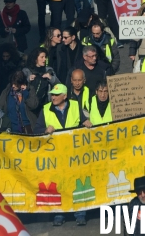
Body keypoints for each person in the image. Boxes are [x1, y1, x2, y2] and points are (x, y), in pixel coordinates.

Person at [34, 83, 90, 226]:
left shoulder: (75, 105)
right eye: (52, 94)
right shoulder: (46, 109)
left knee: (76, 182)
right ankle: (59, 214)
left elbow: (84, 121)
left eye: (57, 95)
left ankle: (80, 213)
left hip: (73, 153)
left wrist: (88, 123)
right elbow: (37, 129)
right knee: (58, 183)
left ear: (65, 96)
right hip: (56, 155)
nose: (53, 97)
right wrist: (46, 130)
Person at [22, 48, 59, 119]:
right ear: (35, 58)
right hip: (30, 104)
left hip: (44, 104)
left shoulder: (48, 70)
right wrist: (28, 80)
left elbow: (59, 85)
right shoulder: (26, 71)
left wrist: (51, 78)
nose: (44, 59)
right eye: (42, 57)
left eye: (45, 57)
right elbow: (21, 86)